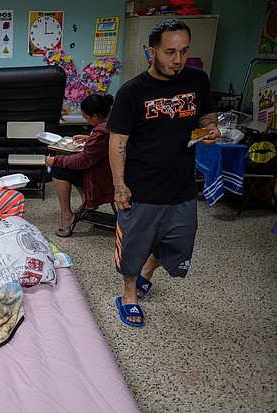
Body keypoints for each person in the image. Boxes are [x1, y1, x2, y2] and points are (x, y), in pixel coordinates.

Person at [106, 19, 220, 327]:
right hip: (142, 186)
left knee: (179, 245)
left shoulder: (197, 80)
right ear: (151, 52)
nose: (178, 60)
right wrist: (119, 186)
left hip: (181, 185)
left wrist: (211, 128)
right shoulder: (132, 92)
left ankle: (148, 272)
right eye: (170, 52)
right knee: (133, 246)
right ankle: (129, 294)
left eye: (183, 51)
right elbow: (117, 140)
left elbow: (207, 115)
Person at [45, 94, 115, 237]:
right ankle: (87, 201)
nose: (87, 121)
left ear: (95, 116)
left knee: (59, 170)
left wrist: (55, 160)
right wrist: (89, 138)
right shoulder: (114, 122)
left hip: (105, 180)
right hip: (111, 173)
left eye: (86, 118)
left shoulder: (101, 133)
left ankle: (67, 215)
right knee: (68, 164)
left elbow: (83, 161)